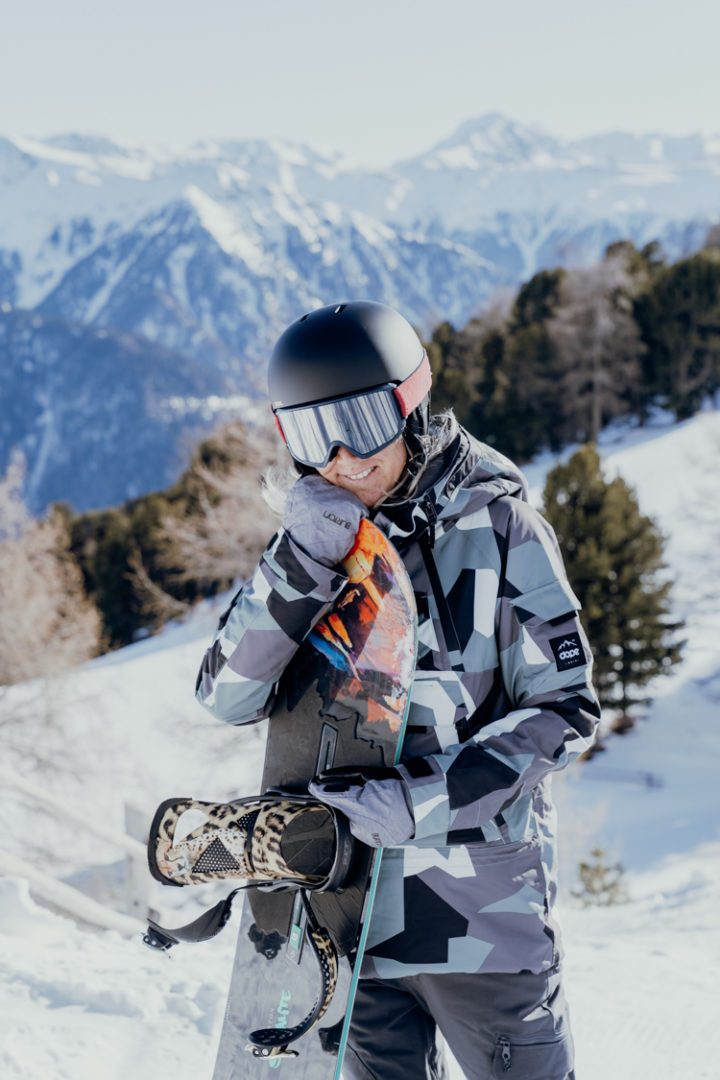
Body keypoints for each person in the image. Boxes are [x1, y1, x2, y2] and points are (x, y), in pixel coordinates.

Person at [195, 300, 600, 1079]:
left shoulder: (503, 527)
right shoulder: (315, 545)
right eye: (316, 437)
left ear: (408, 404)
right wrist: (300, 563)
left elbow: (566, 710)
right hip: (344, 919)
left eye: (361, 424)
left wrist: (421, 804)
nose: (343, 458)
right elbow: (227, 697)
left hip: (481, 923)